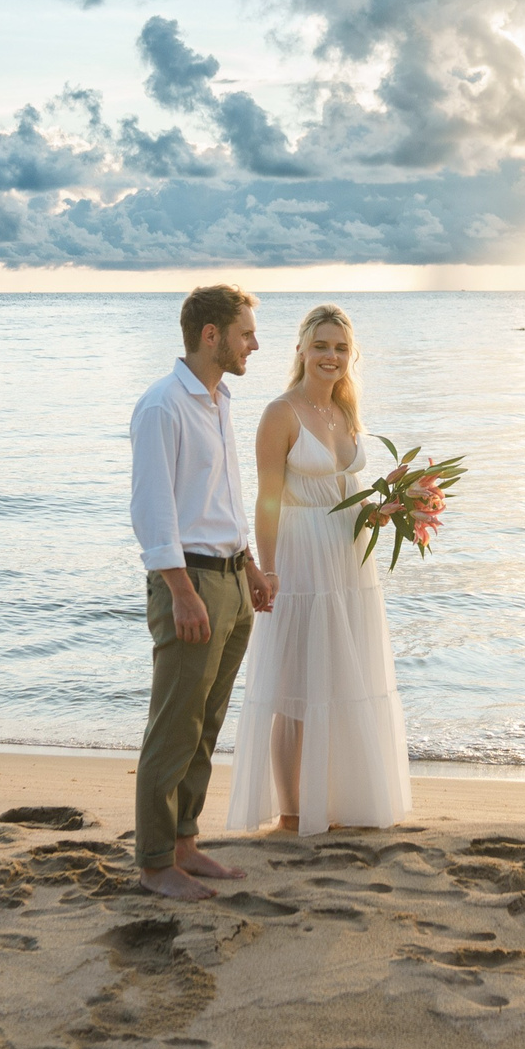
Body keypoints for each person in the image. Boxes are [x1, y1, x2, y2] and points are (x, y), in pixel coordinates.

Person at [224, 304, 413, 835]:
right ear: (302, 349)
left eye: (341, 348)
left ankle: (336, 800)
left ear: (351, 356)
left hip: (350, 563)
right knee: (294, 686)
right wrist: (269, 568)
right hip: (301, 558)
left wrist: (390, 507)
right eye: (322, 346)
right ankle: (290, 813)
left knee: (345, 678)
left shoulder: (348, 413)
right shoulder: (280, 413)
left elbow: (346, 496)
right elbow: (265, 500)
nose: (331, 357)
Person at [128, 283, 276, 901]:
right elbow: (152, 510)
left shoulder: (219, 401)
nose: (255, 344)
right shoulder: (163, 405)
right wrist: (182, 592)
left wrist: (252, 568)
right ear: (211, 335)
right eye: (245, 333)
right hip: (189, 583)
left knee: (206, 723)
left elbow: (226, 501)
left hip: (230, 579)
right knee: (174, 726)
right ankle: (156, 861)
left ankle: (186, 842)